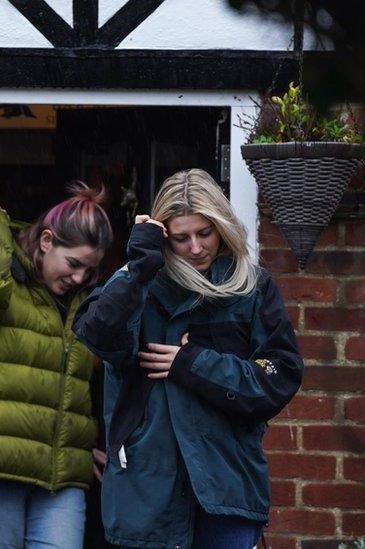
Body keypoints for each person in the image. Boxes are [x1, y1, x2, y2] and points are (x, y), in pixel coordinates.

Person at [73, 169, 303, 548]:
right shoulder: (139, 282)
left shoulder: (252, 287)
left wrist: (192, 364)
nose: (195, 248)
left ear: (221, 227)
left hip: (227, 483)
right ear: (164, 235)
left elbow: (279, 377)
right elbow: (96, 334)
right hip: (147, 488)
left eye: (204, 233)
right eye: (181, 238)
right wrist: (140, 265)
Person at [0, 182, 114, 549]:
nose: (79, 277)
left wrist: (83, 444)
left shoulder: (87, 306)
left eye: (90, 270)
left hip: (61, 477)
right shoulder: (1, 292)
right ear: (47, 241)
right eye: (74, 263)